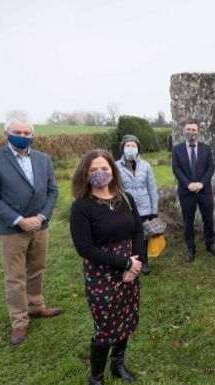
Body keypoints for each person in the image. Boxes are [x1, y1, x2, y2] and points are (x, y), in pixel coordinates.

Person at [0, 111, 62, 346]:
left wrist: (42, 216)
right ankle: (19, 321)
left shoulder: (43, 159)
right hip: (12, 230)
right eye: (18, 133)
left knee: (37, 269)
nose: (23, 136)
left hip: (40, 226)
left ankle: (36, 306)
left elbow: (53, 191)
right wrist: (19, 220)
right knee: (15, 277)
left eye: (27, 133)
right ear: (6, 134)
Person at [70, 149, 144, 385]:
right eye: (94, 170)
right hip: (101, 274)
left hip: (130, 271)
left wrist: (136, 263)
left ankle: (118, 364)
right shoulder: (82, 207)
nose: (100, 173)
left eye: (104, 168)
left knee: (126, 318)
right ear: (85, 174)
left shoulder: (126, 198)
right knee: (106, 327)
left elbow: (138, 231)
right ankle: (96, 378)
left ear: (113, 170)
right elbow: (85, 249)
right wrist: (125, 263)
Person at [171, 119, 215, 262]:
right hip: (187, 192)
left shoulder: (206, 148)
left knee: (208, 219)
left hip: (204, 191)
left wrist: (201, 183)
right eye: (188, 129)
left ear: (198, 132)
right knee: (188, 221)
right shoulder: (177, 149)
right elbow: (176, 169)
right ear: (183, 130)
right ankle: (191, 249)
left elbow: (210, 167)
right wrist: (188, 184)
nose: (191, 132)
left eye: (193, 130)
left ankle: (210, 244)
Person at [116, 134, 159, 274]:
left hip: (144, 208)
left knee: (144, 236)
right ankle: (129, 261)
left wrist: (154, 209)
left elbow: (152, 188)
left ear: (138, 149)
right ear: (123, 148)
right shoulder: (116, 166)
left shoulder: (145, 166)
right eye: (128, 145)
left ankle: (143, 260)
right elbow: (115, 189)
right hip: (126, 208)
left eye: (133, 146)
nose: (130, 148)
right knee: (128, 235)